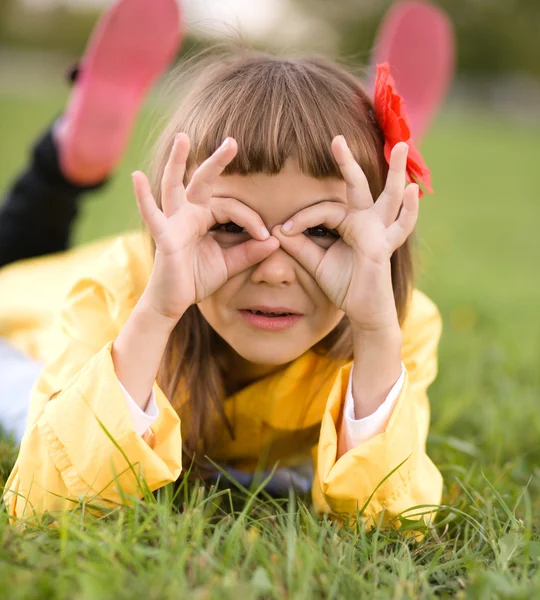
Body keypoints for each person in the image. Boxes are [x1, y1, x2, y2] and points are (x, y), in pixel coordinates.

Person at [0, 0, 452, 529]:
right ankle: (64, 157)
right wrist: (156, 314)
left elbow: (397, 523)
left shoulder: (400, 324)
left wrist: (375, 333)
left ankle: (376, 156)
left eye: (324, 230)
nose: (274, 272)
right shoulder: (124, 290)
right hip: (20, 325)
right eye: (232, 225)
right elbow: (46, 505)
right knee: (24, 382)